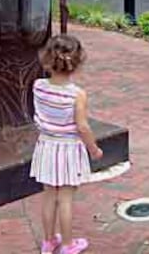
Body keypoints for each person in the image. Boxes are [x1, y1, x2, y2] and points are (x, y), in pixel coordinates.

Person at [30, 35, 103, 254]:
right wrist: (94, 149)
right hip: (68, 149)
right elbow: (82, 126)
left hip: (46, 146)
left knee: (49, 196)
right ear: (77, 63)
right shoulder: (77, 95)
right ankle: (68, 245)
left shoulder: (38, 86)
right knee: (66, 199)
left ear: (47, 60)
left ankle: (48, 241)